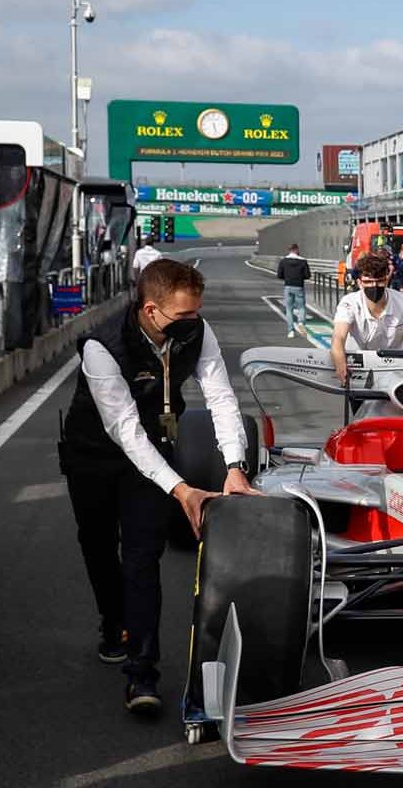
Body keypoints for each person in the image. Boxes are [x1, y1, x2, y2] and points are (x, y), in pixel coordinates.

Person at [58, 258, 257, 714]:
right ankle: (114, 622)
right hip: (95, 453)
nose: (194, 323)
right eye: (183, 316)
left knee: (143, 557)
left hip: (154, 452)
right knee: (98, 546)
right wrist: (183, 490)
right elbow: (125, 430)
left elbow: (222, 396)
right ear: (151, 310)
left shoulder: (199, 332)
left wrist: (234, 465)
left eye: (196, 313)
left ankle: (142, 674)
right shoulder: (102, 347)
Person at [328, 252, 403, 384]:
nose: (374, 286)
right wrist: (340, 362)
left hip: (393, 368)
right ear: (359, 283)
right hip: (358, 366)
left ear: (386, 280)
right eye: (368, 282)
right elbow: (338, 337)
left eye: (379, 281)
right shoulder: (349, 303)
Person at [275, 242, 309, 338]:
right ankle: (301, 322)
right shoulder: (303, 261)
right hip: (299, 287)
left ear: (289, 250)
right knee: (301, 307)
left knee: (289, 309)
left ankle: (291, 331)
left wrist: (287, 277)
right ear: (297, 249)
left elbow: (279, 275)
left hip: (288, 286)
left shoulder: (283, 261)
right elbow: (307, 275)